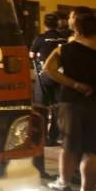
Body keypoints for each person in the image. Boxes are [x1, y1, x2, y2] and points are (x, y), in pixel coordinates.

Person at [44, 12, 96, 191]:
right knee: (94, 150)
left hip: (72, 102)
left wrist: (74, 84)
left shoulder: (65, 49)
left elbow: (48, 69)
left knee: (69, 145)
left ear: (77, 28)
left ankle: (64, 183)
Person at [30, 13, 69, 169]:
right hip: (60, 76)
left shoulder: (40, 38)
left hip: (44, 76)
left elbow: (31, 54)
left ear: (45, 24)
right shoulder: (63, 38)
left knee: (41, 108)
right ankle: (56, 136)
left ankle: (43, 139)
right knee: (59, 107)